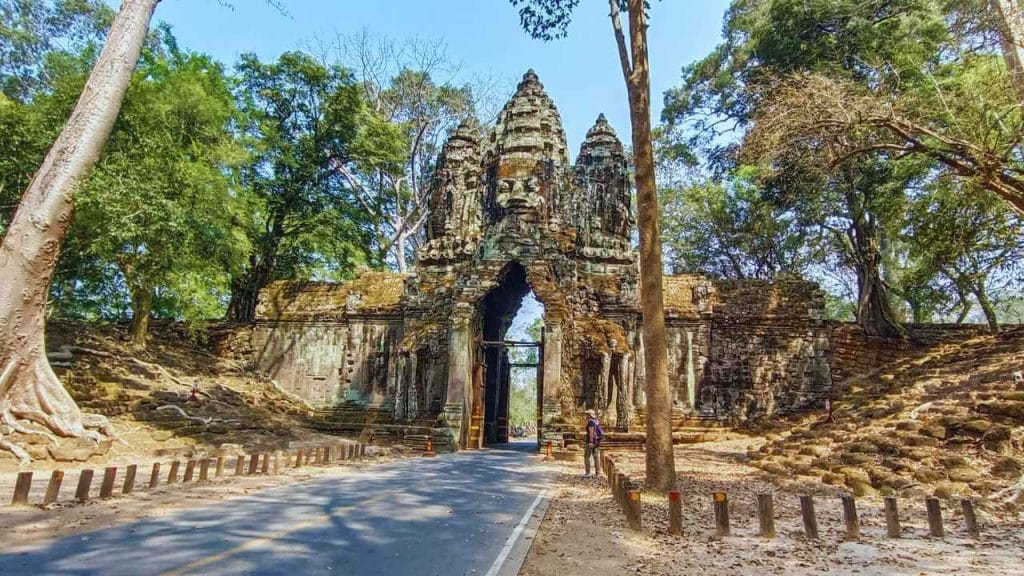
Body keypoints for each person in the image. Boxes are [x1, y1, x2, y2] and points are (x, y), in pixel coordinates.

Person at [583, 409, 603, 478]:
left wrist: (591, 442)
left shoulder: (591, 422)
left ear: (589, 415)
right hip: (596, 442)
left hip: (591, 442)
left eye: (587, 414)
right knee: (596, 457)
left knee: (586, 457)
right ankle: (598, 473)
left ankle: (587, 472)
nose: (585, 415)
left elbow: (591, 432)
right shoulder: (596, 421)